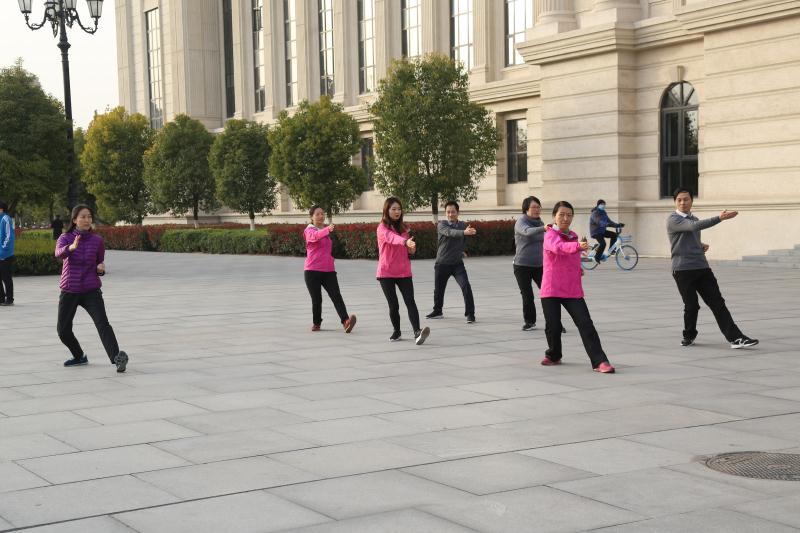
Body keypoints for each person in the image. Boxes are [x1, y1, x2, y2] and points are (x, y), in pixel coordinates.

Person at [668, 188, 758, 349]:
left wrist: (700, 245)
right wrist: (719, 218)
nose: (683, 202)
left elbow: (689, 235)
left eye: (686, 199)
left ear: (691, 201)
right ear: (675, 202)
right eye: (679, 200)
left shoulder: (693, 218)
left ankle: (736, 338)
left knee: (717, 303)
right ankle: (689, 335)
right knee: (691, 306)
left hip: (702, 267)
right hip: (683, 270)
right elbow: (693, 227)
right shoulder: (673, 219)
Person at [540, 201, 616, 373]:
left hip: (571, 289)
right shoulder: (550, 235)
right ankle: (554, 355)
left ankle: (600, 361)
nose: (565, 218)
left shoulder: (573, 236)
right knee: (553, 326)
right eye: (561, 215)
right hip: (551, 287)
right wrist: (577, 246)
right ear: (554, 216)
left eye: (569, 215)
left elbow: (570, 257)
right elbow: (558, 248)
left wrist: (577, 268)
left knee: (586, 324)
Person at [55, 205, 129, 372]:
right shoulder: (65, 237)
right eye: (83, 217)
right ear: (74, 220)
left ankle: (117, 358)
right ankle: (79, 356)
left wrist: (100, 269)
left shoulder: (97, 240)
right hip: (69, 289)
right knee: (63, 331)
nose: (87, 220)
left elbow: (99, 262)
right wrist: (71, 248)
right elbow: (58, 253)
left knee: (103, 324)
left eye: (89, 216)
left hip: (91, 290)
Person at [377, 197, 430, 345]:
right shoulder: (382, 228)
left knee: (410, 301)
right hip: (386, 272)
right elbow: (391, 238)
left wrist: (411, 248)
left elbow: (409, 250)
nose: (397, 212)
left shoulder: (405, 228)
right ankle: (397, 331)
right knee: (393, 305)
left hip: (403, 271)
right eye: (393, 209)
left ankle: (417, 332)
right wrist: (405, 242)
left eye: (399, 209)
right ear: (387, 210)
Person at [513, 196, 566, 333]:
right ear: (526, 209)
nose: (537, 210)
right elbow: (527, 232)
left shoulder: (540, 223)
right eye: (534, 207)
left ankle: (556, 324)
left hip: (540, 265)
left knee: (549, 294)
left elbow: (548, 240)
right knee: (527, 295)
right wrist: (543, 228)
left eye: (538, 207)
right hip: (522, 265)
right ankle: (530, 322)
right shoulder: (521, 222)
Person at [303, 205, 356, 333]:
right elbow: (314, 237)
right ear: (311, 217)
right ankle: (316, 323)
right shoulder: (309, 230)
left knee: (336, 296)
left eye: (322, 213)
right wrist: (327, 229)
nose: (321, 216)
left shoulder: (325, 231)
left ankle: (346, 321)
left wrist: (331, 258)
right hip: (312, 270)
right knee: (317, 299)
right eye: (317, 214)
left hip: (328, 270)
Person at [426, 201, 476, 323]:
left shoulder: (463, 225)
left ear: (457, 212)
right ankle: (437, 311)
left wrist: (461, 250)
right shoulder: (442, 225)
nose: (450, 214)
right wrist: (464, 232)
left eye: (453, 212)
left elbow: (463, 240)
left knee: (466, 286)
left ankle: (470, 314)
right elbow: (450, 233)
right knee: (439, 290)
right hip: (442, 264)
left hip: (457, 264)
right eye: (448, 212)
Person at [589, 199, 624, 263]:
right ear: (598, 205)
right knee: (603, 244)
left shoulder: (604, 213)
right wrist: (606, 224)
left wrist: (617, 225)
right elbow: (598, 221)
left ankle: (611, 250)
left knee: (614, 235)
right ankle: (597, 257)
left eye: (604, 204)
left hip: (602, 231)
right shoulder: (595, 213)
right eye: (602, 204)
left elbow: (609, 221)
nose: (603, 205)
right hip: (596, 232)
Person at [0, 201, 15, 307]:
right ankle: (1, 298)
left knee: (6, 278)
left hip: (5, 255)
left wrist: (2, 250)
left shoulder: (6, 218)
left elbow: (9, 237)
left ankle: (9, 299)